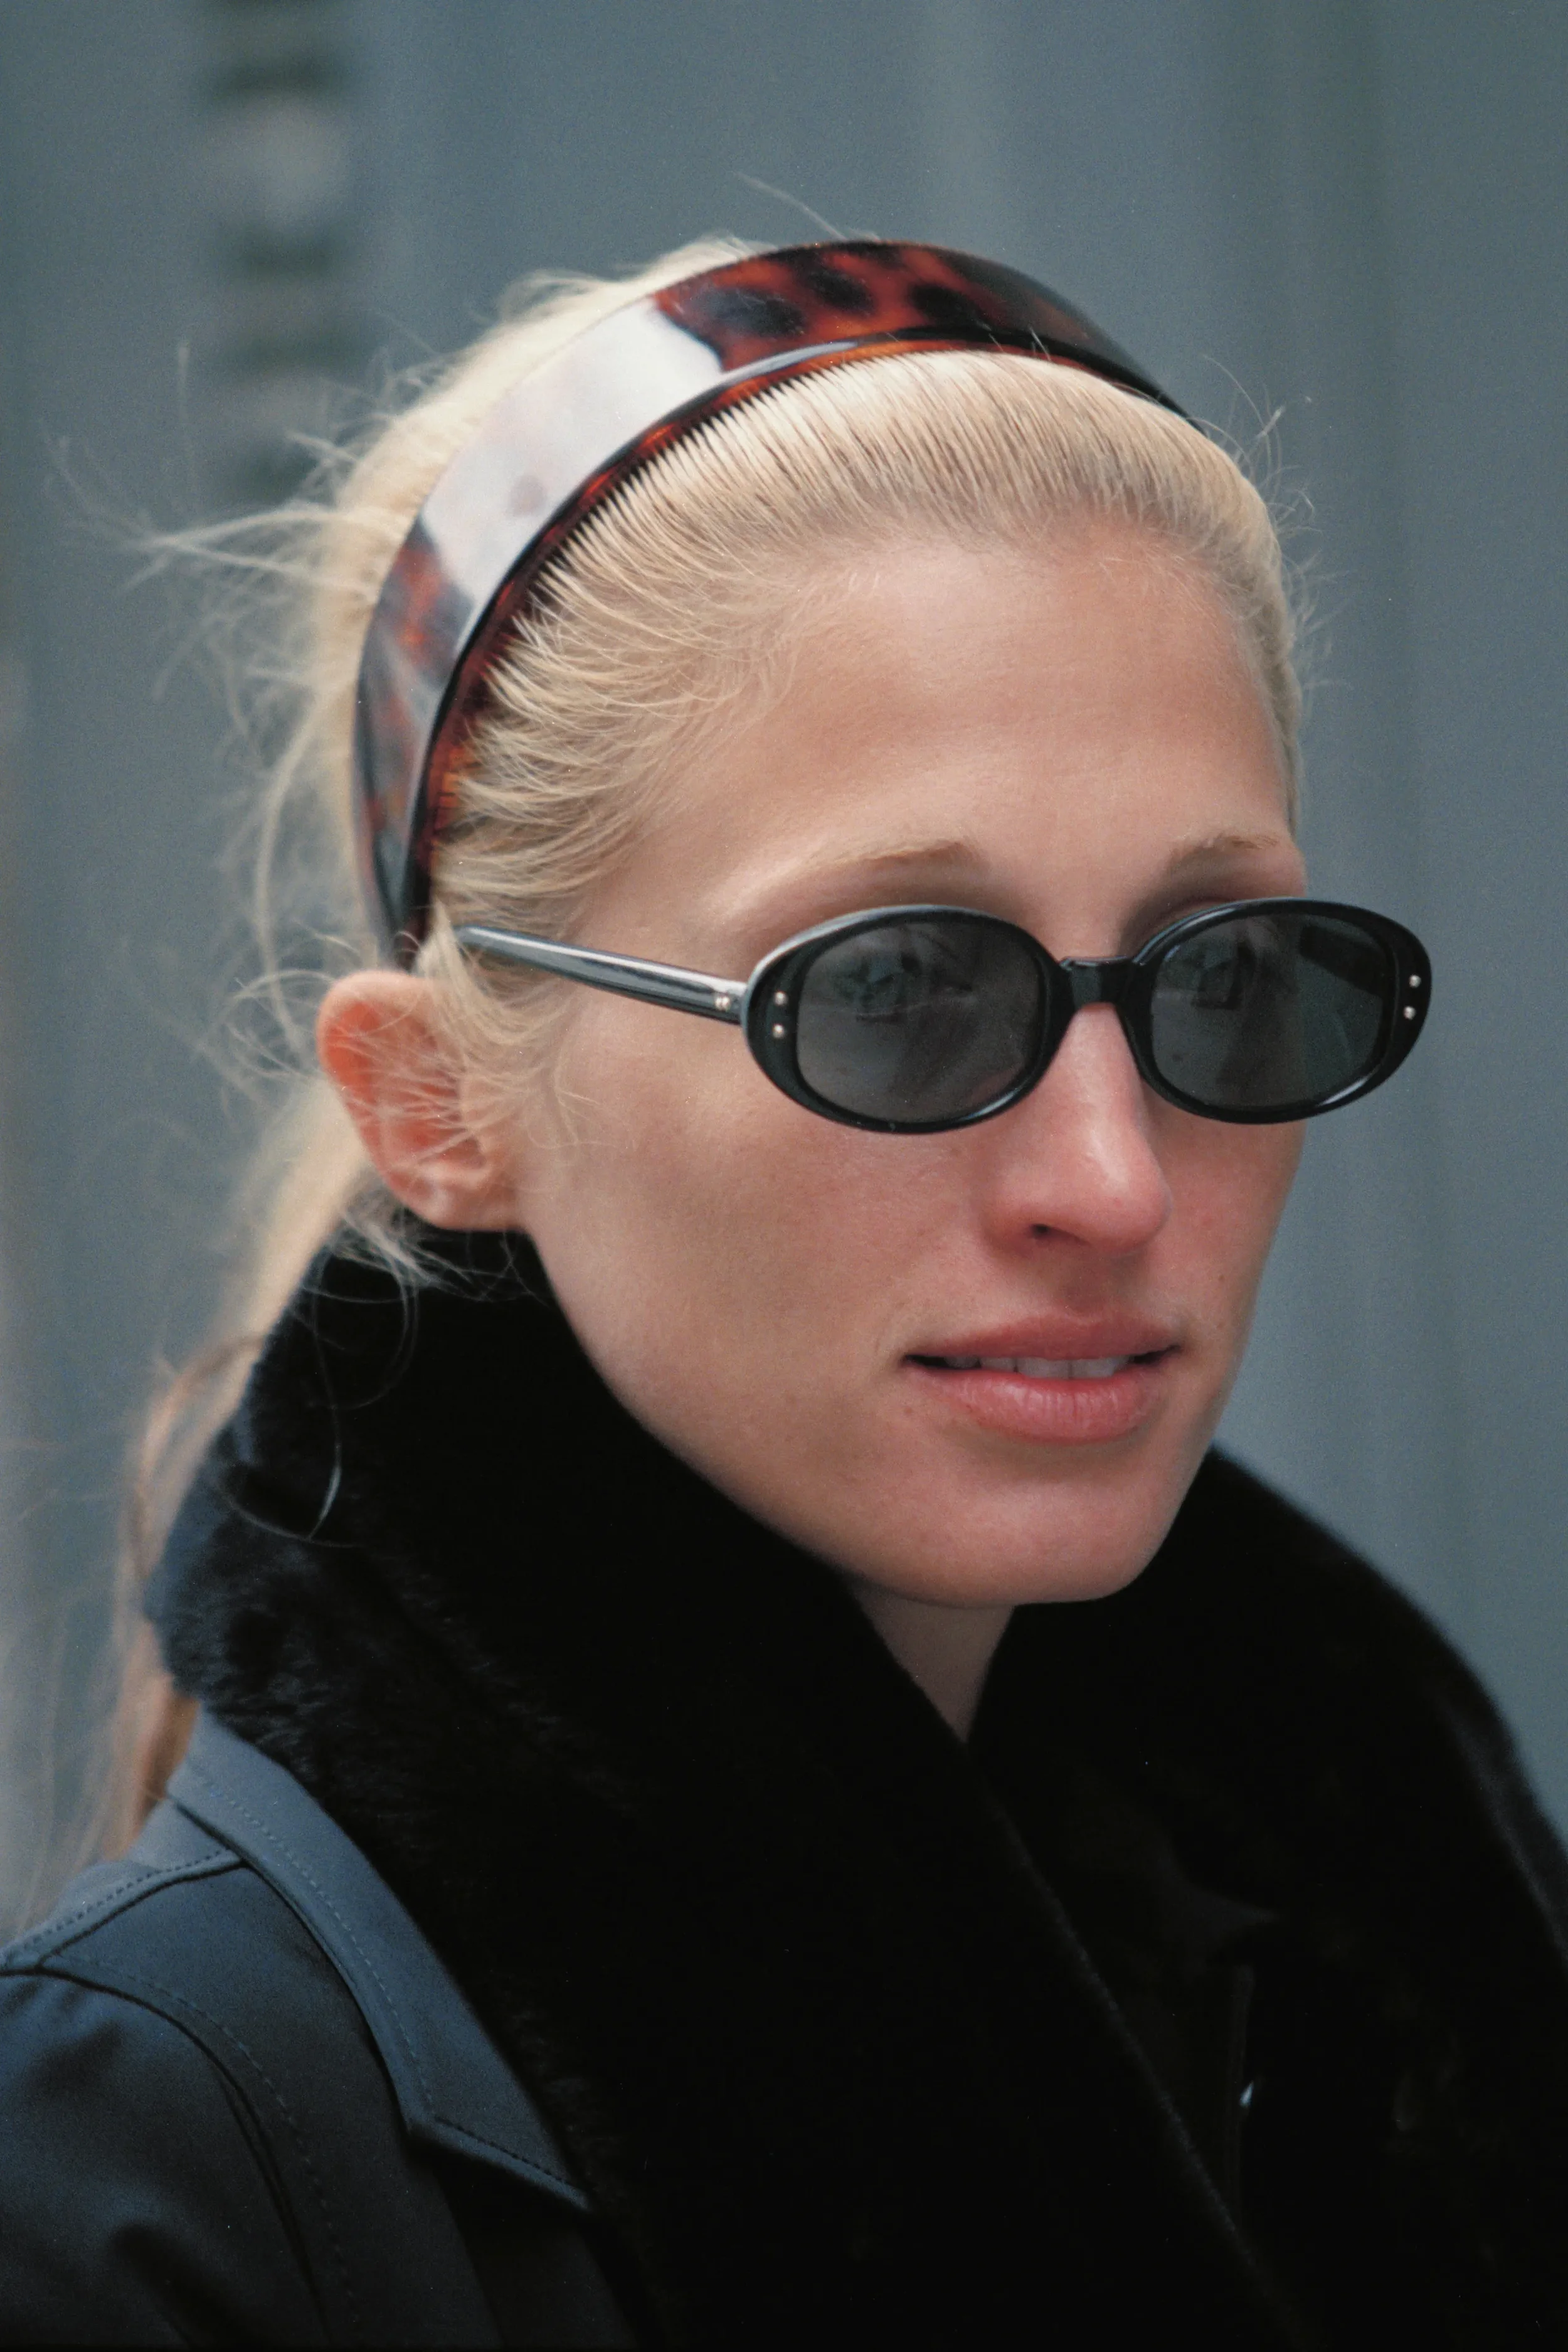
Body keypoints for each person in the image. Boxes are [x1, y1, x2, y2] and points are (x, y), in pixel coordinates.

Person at [1, 237, 1564, 2349]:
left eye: (1215, 972)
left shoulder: (1391, 1946)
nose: (1108, 1179)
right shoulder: (149, 2162)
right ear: (439, 1099)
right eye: (896, 988)